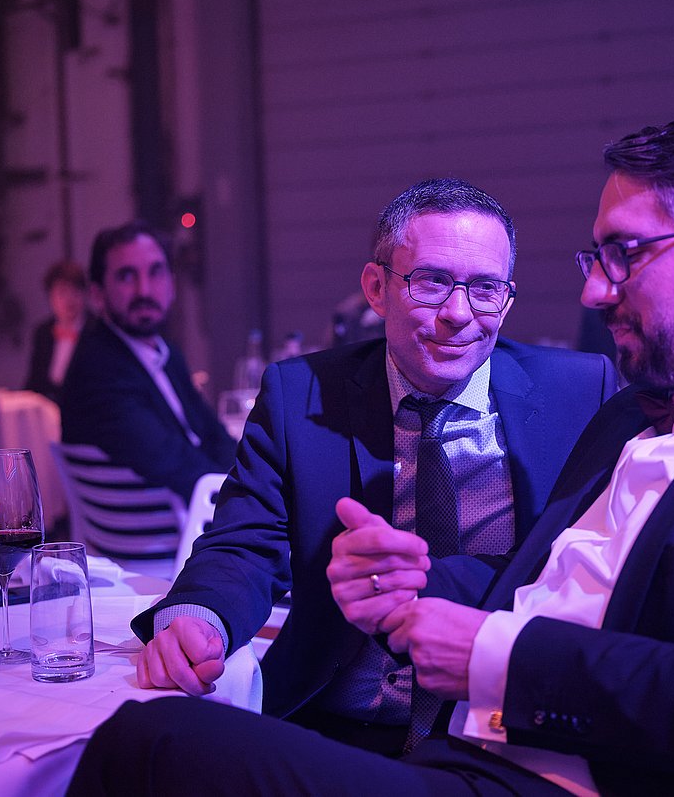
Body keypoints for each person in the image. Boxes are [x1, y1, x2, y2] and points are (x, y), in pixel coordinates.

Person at [69, 120, 674, 796]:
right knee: (146, 736)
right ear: (378, 289)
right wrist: (416, 587)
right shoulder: (637, 410)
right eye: (596, 258)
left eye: (623, 255)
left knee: (150, 748)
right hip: (475, 752)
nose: (594, 290)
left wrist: (494, 657)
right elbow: (564, 587)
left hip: (574, 775)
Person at [127, 178, 618, 756]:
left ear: (507, 301)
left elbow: (595, 570)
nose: (459, 314)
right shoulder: (300, 396)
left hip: (506, 731)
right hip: (337, 723)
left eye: (486, 288)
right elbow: (244, 545)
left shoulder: (579, 394)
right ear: (377, 289)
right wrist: (200, 617)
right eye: (432, 282)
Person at [59, 221, 237, 546]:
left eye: (156, 272)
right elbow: (175, 463)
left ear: (171, 284)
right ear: (97, 295)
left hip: (193, 527)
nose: (144, 290)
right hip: (170, 548)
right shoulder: (98, 369)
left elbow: (213, 434)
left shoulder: (164, 353)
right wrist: (254, 492)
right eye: (127, 276)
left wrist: (256, 476)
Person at [24, 259, 89, 404]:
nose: (69, 299)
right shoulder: (43, 332)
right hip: (47, 409)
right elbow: (33, 382)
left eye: (75, 291)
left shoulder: (97, 331)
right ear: (50, 297)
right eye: (62, 292)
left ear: (85, 294)